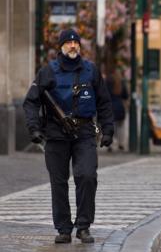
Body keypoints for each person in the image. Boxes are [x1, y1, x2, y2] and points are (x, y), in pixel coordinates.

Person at [23, 29, 114, 244]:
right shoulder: (47, 72)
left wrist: (108, 129)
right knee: (59, 182)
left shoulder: (91, 71)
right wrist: (34, 128)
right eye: (68, 43)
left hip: (84, 133)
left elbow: (104, 102)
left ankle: (83, 226)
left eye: (76, 43)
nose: (73, 46)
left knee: (87, 176)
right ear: (61, 47)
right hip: (56, 134)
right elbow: (31, 102)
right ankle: (64, 228)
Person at [106, 70, 128, 151]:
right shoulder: (122, 83)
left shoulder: (108, 82)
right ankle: (121, 143)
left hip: (111, 106)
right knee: (121, 126)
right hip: (120, 106)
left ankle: (110, 145)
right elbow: (125, 96)